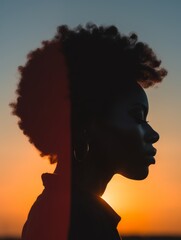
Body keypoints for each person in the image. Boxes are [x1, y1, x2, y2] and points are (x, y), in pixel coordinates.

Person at [11, 24, 167, 240]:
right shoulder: (79, 222)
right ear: (84, 127)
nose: (153, 134)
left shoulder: (59, 209)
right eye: (138, 117)